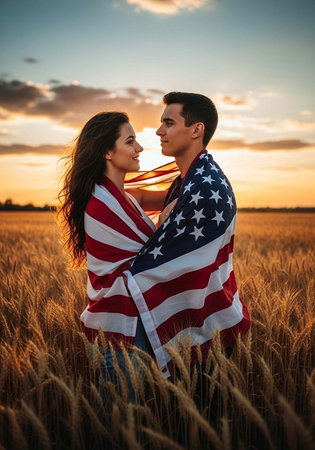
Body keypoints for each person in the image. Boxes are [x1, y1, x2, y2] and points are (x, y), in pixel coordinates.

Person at [123, 92, 250, 380]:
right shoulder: (190, 177)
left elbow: (153, 261)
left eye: (168, 122)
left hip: (207, 333)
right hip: (205, 324)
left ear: (196, 130)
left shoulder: (204, 188)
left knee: (206, 419)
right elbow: (142, 196)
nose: (159, 131)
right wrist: (96, 191)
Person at [57, 111, 174, 402]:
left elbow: (167, 195)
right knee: (114, 427)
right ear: (108, 151)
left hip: (130, 326)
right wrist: (164, 224)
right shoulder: (101, 204)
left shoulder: (123, 198)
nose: (140, 148)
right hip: (117, 333)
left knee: (126, 423)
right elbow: (146, 259)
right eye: (131, 141)